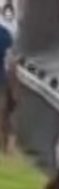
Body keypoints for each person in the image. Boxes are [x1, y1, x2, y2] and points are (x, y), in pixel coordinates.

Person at [0, 3, 14, 154]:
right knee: (3, 115)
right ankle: (5, 148)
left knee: (3, 115)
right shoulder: (4, 34)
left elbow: (11, 61)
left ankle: (5, 148)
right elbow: (11, 61)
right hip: (2, 81)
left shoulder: (4, 34)